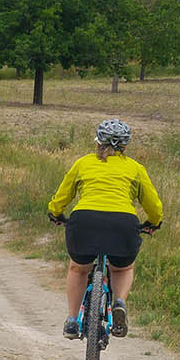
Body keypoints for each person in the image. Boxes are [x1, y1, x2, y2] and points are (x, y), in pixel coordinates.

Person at [46, 119, 162, 339]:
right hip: (123, 223)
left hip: (85, 221)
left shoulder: (83, 163)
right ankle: (119, 302)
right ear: (125, 146)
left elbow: (62, 196)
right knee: (122, 269)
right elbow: (153, 205)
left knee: (78, 269)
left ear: (98, 141)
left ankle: (72, 321)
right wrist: (154, 222)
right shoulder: (135, 168)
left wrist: (55, 212)